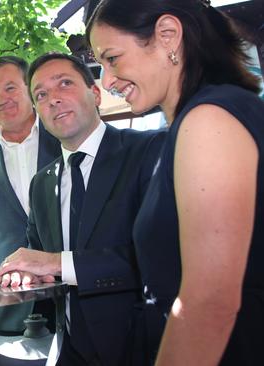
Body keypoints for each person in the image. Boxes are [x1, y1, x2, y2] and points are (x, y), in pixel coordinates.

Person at [85, 0, 264, 364]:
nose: (106, 81)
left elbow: (208, 302)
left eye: (113, 58)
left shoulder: (208, 122)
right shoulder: (205, 118)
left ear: (168, 35)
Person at [0, 52, 165, 365]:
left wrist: (57, 263)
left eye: (65, 84)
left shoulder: (149, 151)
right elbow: (39, 260)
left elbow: (160, 259)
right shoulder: (41, 184)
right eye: (41, 95)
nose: (53, 99)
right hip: (68, 351)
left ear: (96, 93)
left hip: (141, 347)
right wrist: (25, 274)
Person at [0, 55, 61, 335]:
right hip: (9, 294)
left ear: (29, 89)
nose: (1, 99)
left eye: (10, 88)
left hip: (66, 290)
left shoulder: (62, 139)